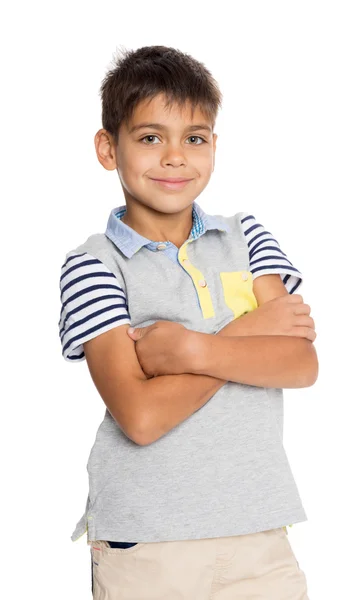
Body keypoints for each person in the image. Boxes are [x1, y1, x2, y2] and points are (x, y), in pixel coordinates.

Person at [58, 45, 318, 600]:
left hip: (260, 533)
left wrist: (190, 350)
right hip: (148, 542)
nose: (175, 157)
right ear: (109, 148)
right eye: (150, 137)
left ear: (214, 147)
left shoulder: (246, 236)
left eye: (194, 138)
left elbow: (300, 362)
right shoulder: (93, 263)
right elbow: (142, 416)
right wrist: (248, 335)